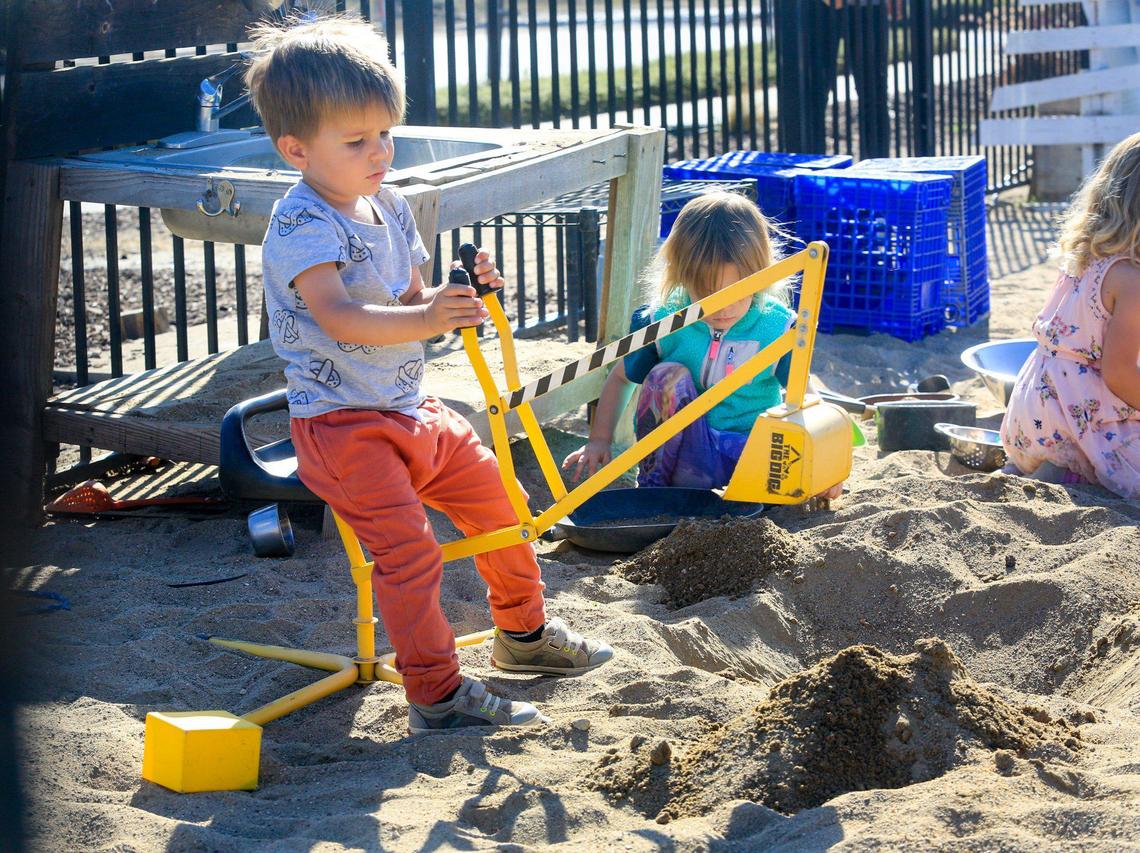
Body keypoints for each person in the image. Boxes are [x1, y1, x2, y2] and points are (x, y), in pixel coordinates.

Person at [245, 17, 612, 734]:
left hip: (411, 405)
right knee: (410, 551)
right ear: (296, 150)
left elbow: (412, 300)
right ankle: (436, 691)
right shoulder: (301, 226)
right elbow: (343, 315)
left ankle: (524, 634)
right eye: (356, 142)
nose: (379, 151)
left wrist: (461, 295)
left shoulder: (388, 202)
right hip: (342, 425)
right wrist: (426, 319)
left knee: (499, 505)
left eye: (386, 132)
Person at [563, 191, 842, 499]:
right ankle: (655, 489)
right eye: (708, 295)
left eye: (737, 293)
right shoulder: (666, 320)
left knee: (789, 452)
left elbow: (805, 396)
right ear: (683, 278)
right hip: (687, 457)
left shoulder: (775, 328)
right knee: (664, 376)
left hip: (751, 453)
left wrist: (823, 464)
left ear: (759, 275)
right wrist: (599, 439)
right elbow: (620, 378)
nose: (723, 309)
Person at [1000, 133, 1140, 499]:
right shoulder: (1131, 282)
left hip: (1031, 421)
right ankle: (1077, 473)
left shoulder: (1088, 258)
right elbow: (1120, 374)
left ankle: (1051, 464)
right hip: (1077, 427)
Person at [775, 0, 898, 160]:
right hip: (819, 7)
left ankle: (878, 172)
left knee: (874, 95)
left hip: (868, 6)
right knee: (812, 95)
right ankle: (809, 170)